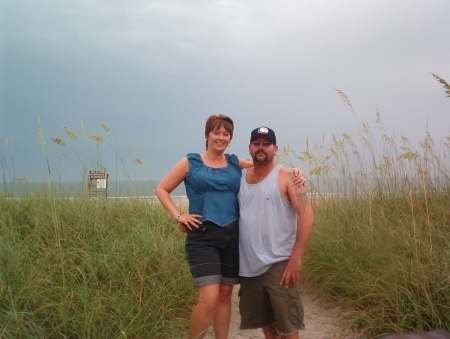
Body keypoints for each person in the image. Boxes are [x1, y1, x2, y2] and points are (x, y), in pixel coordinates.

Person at [155, 115, 305, 339]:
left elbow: (263, 164)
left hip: (232, 236)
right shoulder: (191, 162)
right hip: (203, 236)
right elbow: (162, 189)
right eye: (216, 132)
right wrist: (179, 216)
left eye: (226, 134)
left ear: (230, 138)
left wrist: (295, 171)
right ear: (207, 135)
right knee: (208, 299)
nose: (221, 137)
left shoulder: (235, 162)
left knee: (225, 296)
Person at [238, 126, 314, 339]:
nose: (261, 147)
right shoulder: (240, 176)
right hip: (250, 265)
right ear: (250, 147)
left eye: (266, 143)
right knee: (267, 324)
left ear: (275, 148)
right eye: (257, 143)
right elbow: (226, 161)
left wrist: (296, 258)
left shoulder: (288, 176)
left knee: (288, 325)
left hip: (280, 262)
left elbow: (307, 216)